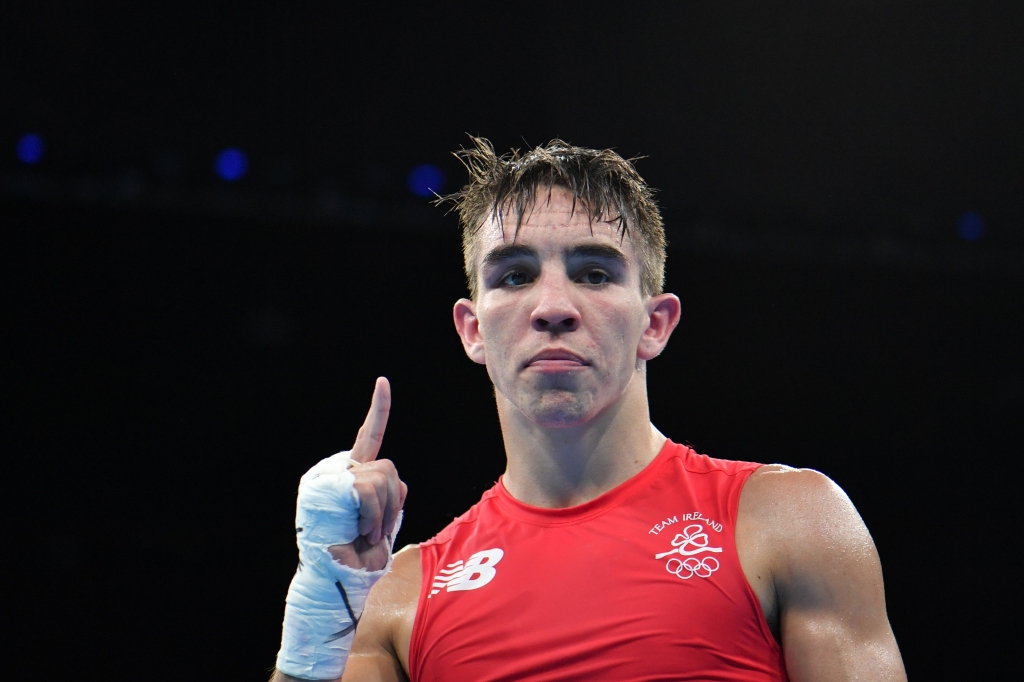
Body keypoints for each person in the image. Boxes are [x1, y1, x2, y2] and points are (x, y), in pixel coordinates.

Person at [272, 138, 907, 681]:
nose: (553, 305)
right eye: (515, 275)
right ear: (471, 331)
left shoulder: (785, 521)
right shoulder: (401, 596)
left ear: (655, 324)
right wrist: (320, 614)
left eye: (594, 273)